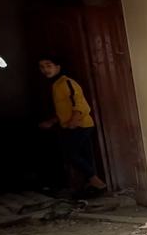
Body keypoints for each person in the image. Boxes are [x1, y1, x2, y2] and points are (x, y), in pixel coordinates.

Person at [38, 57, 107, 198]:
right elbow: (63, 110)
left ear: (58, 67)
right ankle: (93, 186)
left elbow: (79, 103)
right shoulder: (55, 85)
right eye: (42, 67)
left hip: (81, 125)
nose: (45, 69)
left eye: (48, 65)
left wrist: (74, 121)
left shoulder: (66, 82)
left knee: (71, 154)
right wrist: (52, 122)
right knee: (85, 156)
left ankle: (98, 184)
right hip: (72, 125)